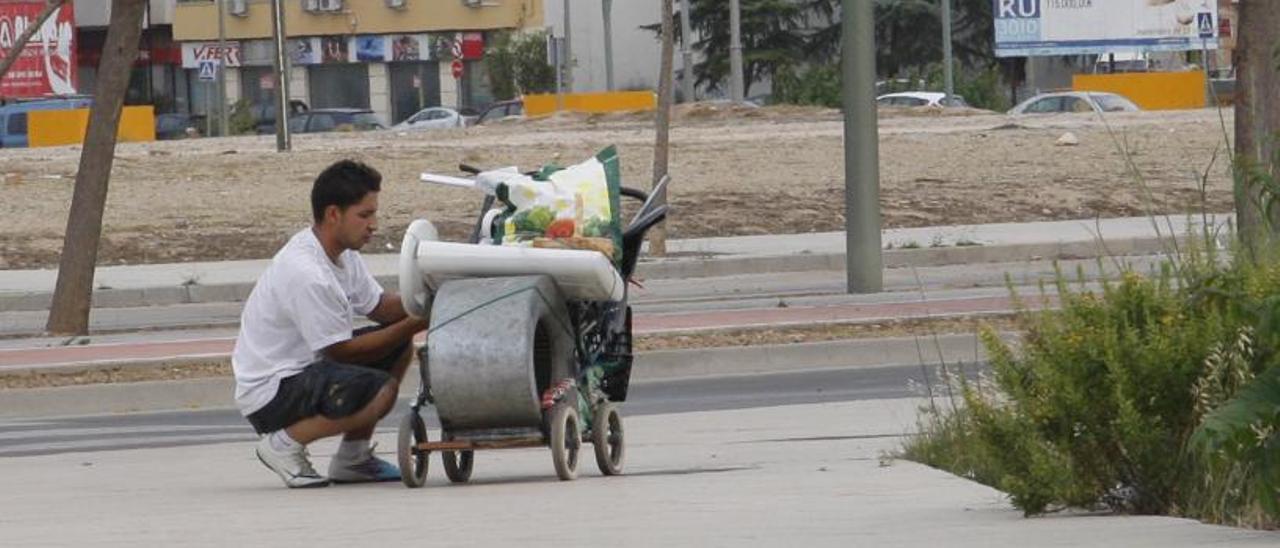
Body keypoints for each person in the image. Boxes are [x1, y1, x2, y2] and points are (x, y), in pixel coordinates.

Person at [232, 160, 429, 488]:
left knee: (396, 343)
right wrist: (417, 321)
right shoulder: (307, 273)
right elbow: (341, 352)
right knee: (380, 391)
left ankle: (353, 458)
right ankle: (282, 445)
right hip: (271, 392)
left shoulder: (341, 253)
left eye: (374, 214)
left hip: (306, 370)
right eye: (364, 215)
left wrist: (426, 292)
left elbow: (379, 307)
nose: (374, 225)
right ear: (333, 214)